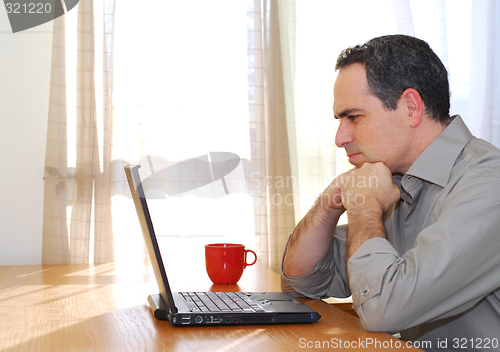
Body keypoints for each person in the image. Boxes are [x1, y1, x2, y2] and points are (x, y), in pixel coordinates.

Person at [281, 34, 500, 350]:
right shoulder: (393, 181)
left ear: (411, 108)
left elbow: (383, 310)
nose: (340, 138)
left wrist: (365, 206)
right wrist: (330, 202)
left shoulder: (487, 183)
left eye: (353, 117)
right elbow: (301, 280)